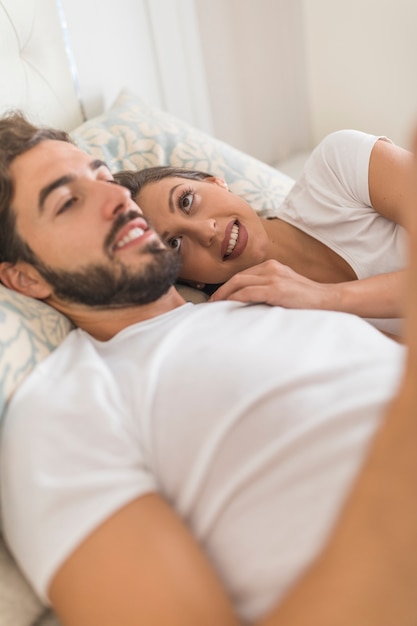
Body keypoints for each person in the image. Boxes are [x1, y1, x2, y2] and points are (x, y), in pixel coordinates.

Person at [0, 110, 417, 626]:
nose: (116, 199)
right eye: (67, 202)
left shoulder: (262, 299)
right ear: (24, 279)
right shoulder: (63, 408)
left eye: (103, 176)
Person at [114, 129, 412, 338]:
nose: (206, 231)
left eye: (186, 201)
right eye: (175, 244)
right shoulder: (263, 322)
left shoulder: (337, 168)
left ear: (216, 182)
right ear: (192, 280)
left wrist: (327, 297)